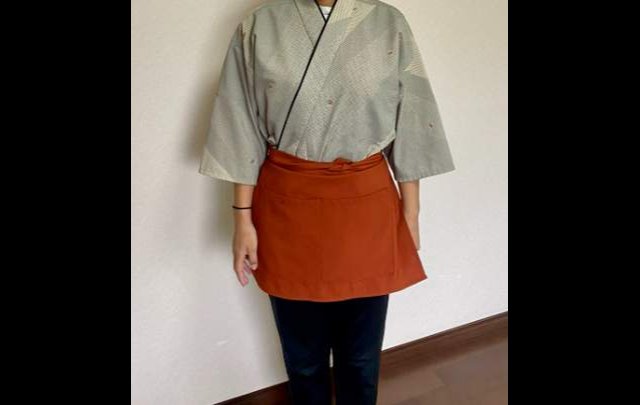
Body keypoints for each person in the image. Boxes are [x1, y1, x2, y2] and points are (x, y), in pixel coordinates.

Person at [199, 1, 455, 403]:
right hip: (288, 205)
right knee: (303, 357)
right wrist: (242, 218)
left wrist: (411, 212)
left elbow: (410, 118)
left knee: (361, 355)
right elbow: (239, 124)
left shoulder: (388, 23)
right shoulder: (259, 27)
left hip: (366, 206)